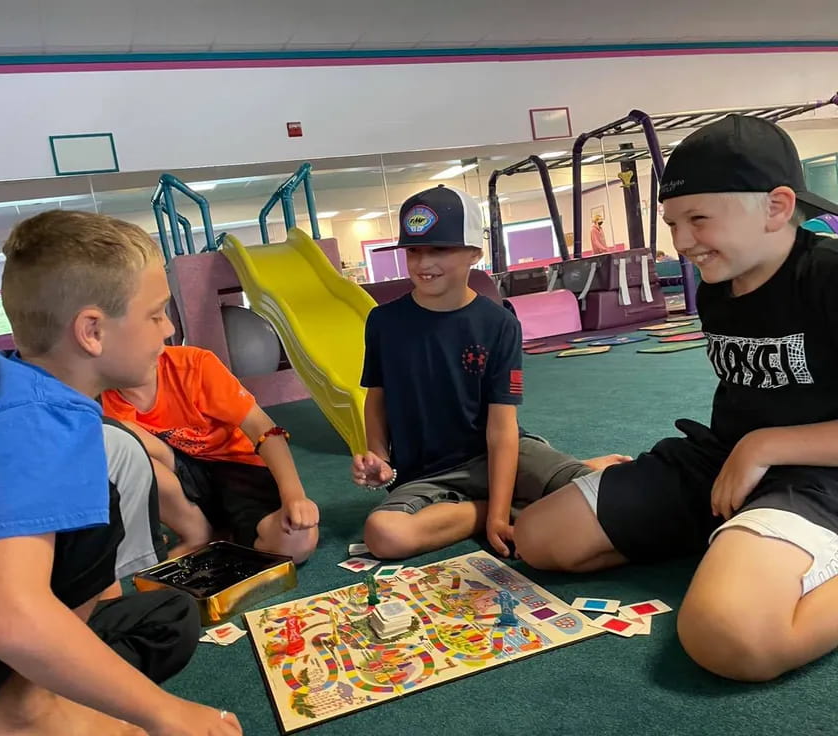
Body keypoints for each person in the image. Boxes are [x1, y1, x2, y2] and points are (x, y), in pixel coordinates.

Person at [514, 115, 838, 683]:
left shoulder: (829, 277)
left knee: (729, 637)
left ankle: (756, 557)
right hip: (725, 460)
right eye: (673, 222)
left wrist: (766, 446)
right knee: (540, 538)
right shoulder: (720, 287)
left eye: (699, 219)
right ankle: (738, 543)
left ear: (777, 206)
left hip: (820, 473)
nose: (681, 242)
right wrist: (743, 453)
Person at [0, 210, 242, 735]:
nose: (170, 328)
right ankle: (22, 710)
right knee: (98, 510)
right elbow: (10, 622)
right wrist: (166, 713)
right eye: (156, 314)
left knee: (169, 617)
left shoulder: (31, 396)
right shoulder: (32, 424)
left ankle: (32, 694)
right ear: (91, 331)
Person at [352, 185, 629, 560]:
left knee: (602, 493)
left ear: (474, 254)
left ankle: (531, 489)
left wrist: (502, 517)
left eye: (439, 249)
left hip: (500, 452)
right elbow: (376, 398)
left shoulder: (498, 324)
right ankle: (502, 504)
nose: (422, 263)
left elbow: (502, 428)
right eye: (414, 251)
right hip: (426, 475)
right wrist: (380, 458)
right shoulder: (383, 321)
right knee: (384, 534)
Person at [100, 345, 319, 562]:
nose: (166, 328)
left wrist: (294, 495)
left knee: (298, 543)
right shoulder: (100, 395)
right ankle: (197, 534)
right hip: (184, 474)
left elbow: (261, 427)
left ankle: (223, 533)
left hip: (240, 469)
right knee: (115, 438)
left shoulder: (194, 364)